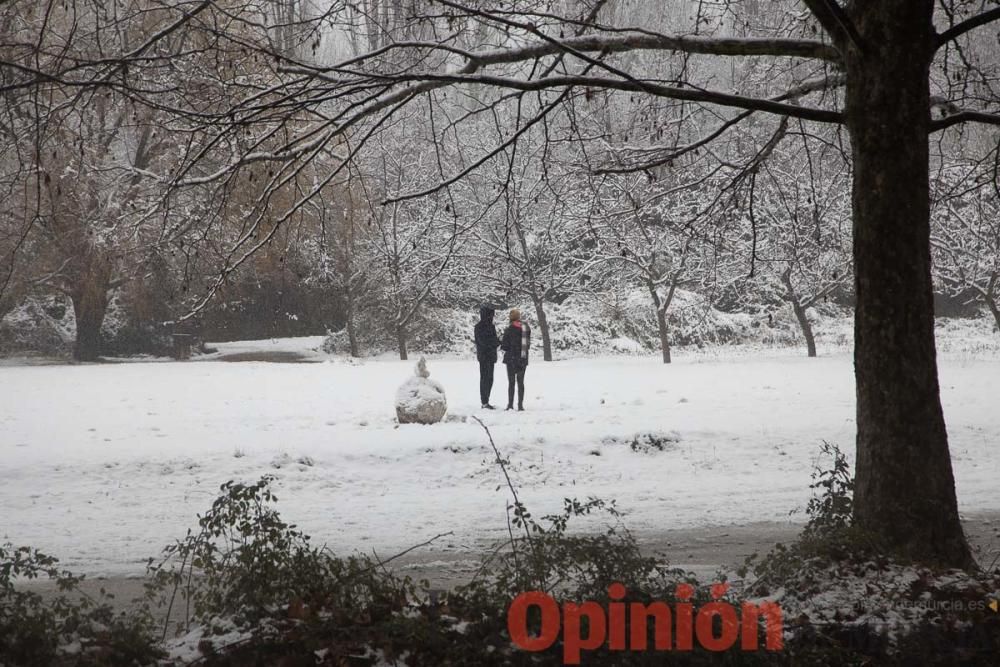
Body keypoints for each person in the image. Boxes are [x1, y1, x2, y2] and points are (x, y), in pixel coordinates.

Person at [499, 308, 530, 411]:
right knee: (521, 382)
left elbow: (504, 346)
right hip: (522, 358)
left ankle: (510, 404)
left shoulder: (509, 330)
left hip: (511, 359)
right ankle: (520, 405)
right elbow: (527, 344)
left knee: (511, 382)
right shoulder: (526, 328)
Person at [473, 303, 501, 409]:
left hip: (490, 356)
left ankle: (486, 400)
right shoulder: (479, 327)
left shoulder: (490, 326)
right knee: (485, 378)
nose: (492, 318)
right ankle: (484, 401)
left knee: (490, 379)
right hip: (485, 357)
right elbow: (483, 342)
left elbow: (491, 340)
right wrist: (496, 342)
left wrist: (496, 342)